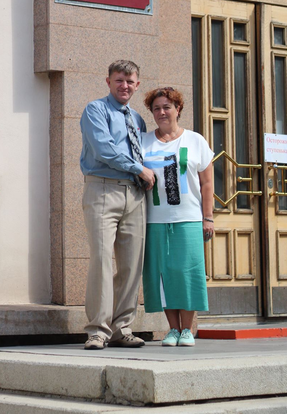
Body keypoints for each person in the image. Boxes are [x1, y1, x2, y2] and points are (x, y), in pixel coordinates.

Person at [80, 60, 155, 350]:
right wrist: (138, 169)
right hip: (103, 189)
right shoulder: (95, 110)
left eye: (130, 81)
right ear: (108, 82)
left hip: (135, 195)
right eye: (119, 80)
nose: (125, 85)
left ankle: (121, 327)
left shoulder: (137, 118)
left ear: (137, 85)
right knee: (100, 259)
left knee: (131, 265)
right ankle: (97, 331)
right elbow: (104, 148)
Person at [142, 87, 214, 347]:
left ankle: (187, 330)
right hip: (155, 220)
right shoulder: (144, 141)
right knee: (163, 274)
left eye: (167, 107)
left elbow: (207, 184)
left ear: (178, 109)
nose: (162, 112)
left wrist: (208, 218)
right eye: (157, 108)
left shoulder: (195, 141)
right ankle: (172, 329)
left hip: (189, 218)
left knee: (187, 272)